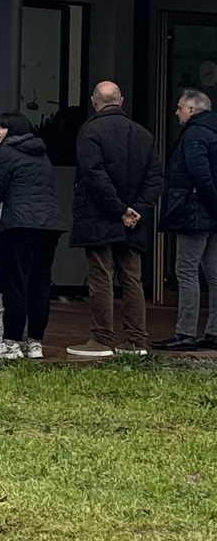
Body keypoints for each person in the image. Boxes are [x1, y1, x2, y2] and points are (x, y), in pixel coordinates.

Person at [68, 81, 163, 358]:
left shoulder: (89, 132)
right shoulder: (144, 135)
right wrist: (137, 209)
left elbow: (94, 175)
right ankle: (137, 340)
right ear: (120, 100)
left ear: (94, 102)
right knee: (132, 279)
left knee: (101, 277)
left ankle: (102, 338)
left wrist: (119, 209)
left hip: (99, 216)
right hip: (134, 219)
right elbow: (156, 178)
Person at [0, 112, 63, 359]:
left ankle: (12, 342)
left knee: (15, 283)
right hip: (49, 225)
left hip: (18, 225)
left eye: (2, 127)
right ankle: (35, 343)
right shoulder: (42, 155)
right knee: (40, 283)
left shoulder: (5, 153)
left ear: (12, 131)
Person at [158, 89, 217, 351]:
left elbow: (198, 174)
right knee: (213, 275)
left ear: (192, 110)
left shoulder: (194, 134)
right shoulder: (213, 131)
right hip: (211, 215)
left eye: (180, 107)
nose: (177, 112)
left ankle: (185, 333)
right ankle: (213, 332)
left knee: (186, 270)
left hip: (194, 213)